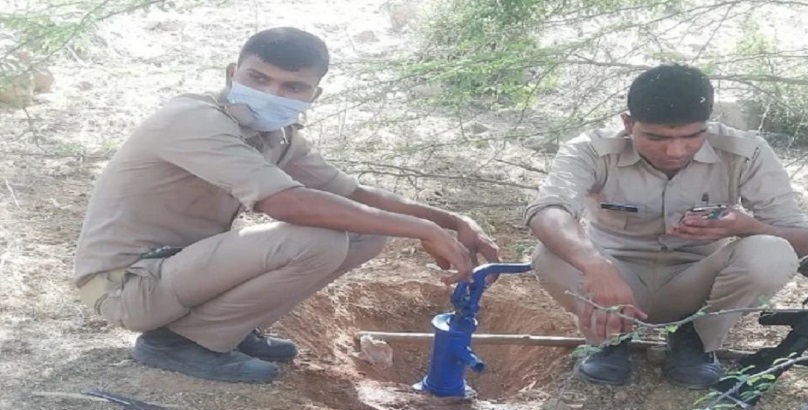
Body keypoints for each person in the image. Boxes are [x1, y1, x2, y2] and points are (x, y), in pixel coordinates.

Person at [73, 27, 500, 384]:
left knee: (368, 230)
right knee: (316, 240)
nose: (271, 93)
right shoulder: (192, 119)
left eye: (291, 87)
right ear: (231, 73)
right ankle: (182, 342)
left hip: (176, 269)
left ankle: (227, 329)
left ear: (313, 94)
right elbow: (286, 204)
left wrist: (450, 220)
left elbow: (353, 195)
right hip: (127, 285)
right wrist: (425, 232)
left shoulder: (278, 135)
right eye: (258, 79)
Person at [524, 63, 808, 388]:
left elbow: (800, 242)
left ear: (708, 125)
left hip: (695, 282)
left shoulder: (746, 152)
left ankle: (697, 341)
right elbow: (547, 212)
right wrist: (595, 265)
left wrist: (745, 226)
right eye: (656, 137)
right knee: (550, 251)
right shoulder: (591, 149)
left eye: (692, 137)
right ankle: (609, 339)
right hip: (613, 281)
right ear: (628, 123)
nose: (675, 151)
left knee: (771, 251)